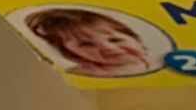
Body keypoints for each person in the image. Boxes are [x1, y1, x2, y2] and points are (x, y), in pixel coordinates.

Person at [25, 8, 154, 77]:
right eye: (87, 44)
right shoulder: (84, 73)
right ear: (71, 53)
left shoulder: (156, 61)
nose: (108, 47)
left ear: (136, 39)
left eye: (115, 39)